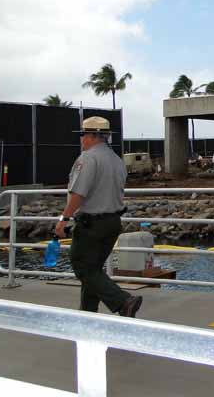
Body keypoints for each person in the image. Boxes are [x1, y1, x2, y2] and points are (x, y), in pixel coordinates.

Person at [55, 116, 142, 317]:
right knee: (93, 269)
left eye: (84, 134)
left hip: (91, 224)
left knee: (83, 267)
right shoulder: (117, 160)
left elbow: (78, 193)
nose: (82, 139)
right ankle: (88, 315)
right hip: (112, 222)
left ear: (94, 136)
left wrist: (64, 219)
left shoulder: (87, 159)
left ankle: (124, 301)